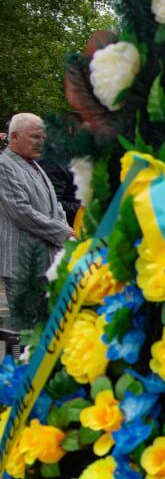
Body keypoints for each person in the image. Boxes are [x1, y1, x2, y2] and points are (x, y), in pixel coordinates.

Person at [0, 113, 73, 325]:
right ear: (14, 137)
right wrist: (63, 232)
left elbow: (55, 205)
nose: (41, 142)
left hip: (45, 262)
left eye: (43, 137)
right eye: (34, 137)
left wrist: (66, 227)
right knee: (28, 333)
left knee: (46, 328)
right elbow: (21, 212)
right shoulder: (4, 166)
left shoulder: (35, 164)